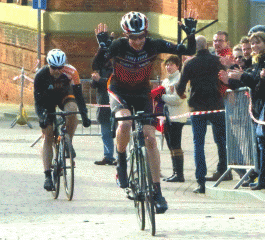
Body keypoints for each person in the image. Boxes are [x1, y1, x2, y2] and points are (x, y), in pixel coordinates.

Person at [92, 11, 197, 213]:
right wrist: (103, 48)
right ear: (126, 35)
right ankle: (121, 162)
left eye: (141, 36)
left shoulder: (154, 44)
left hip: (141, 92)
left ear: (146, 33)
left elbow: (187, 49)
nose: (138, 41)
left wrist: (190, 33)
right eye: (133, 37)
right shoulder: (118, 46)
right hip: (119, 91)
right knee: (125, 123)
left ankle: (157, 192)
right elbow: (96, 66)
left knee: (150, 138)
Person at [176, 35, 229, 194]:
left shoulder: (189, 63)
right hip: (216, 104)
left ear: (195, 47)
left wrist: (182, 94)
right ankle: (224, 169)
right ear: (207, 45)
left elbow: (180, 86)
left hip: (197, 106)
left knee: (198, 143)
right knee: (221, 140)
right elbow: (225, 80)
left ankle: (201, 181)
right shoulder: (217, 61)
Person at [34, 49, 91, 191]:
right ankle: (47, 175)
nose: (58, 71)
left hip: (64, 96)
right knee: (47, 134)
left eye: (61, 67)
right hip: (47, 101)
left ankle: (67, 140)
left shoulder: (71, 72)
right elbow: (38, 101)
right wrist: (42, 116)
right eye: (54, 67)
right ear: (48, 65)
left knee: (72, 109)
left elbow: (78, 95)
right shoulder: (41, 75)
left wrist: (84, 115)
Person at [219, 31, 265, 190]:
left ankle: (261, 177)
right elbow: (251, 81)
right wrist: (234, 74)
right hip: (257, 106)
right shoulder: (257, 60)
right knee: (259, 141)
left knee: (261, 137)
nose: (254, 46)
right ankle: (260, 177)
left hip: (261, 105)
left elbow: (254, 81)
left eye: (258, 42)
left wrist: (242, 76)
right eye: (253, 43)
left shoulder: (261, 60)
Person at [157, 55, 189, 183]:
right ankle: (175, 172)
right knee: (171, 146)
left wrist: (162, 97)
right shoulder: (166, 81)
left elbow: (177, 99)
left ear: (177, 66)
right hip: (167, 117)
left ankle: (179, 174)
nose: (168, 67)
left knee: (176, 145)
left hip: (176, 117)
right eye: (167, 64)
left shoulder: (180, 79)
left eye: (171, 64)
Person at [91, 61, 116, 166]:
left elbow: (112, 84)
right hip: (103, 107)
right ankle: (108, 156)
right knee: (105, 134)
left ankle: (120, 157)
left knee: (120, 132)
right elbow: (93, 86)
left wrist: (100, 80)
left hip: (116, 106)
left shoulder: (117, 68)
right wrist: (94, 79)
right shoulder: (101, 69)